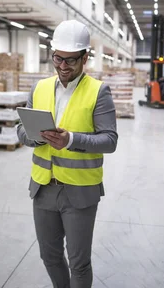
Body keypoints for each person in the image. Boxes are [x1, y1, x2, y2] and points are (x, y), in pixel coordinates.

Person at [17, 19, 118, 288]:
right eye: (58, 59)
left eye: (70, 60)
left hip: (80, 193)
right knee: (49, 256)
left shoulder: (99, 92)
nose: (63, 66)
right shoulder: (38, 88)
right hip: (43, 188)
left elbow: (110, 141)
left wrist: (70, 140)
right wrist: (34, 137)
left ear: (85, 58)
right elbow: (21, 130)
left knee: (79, 262)